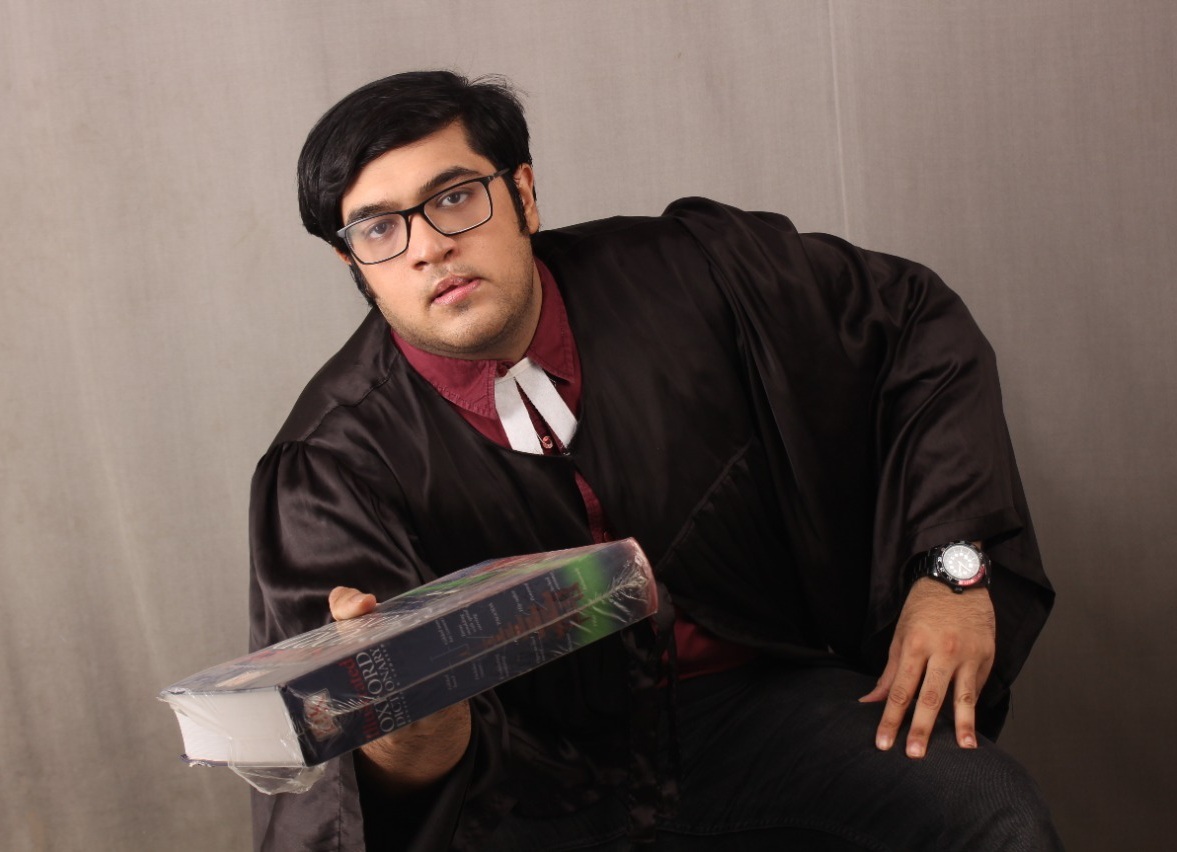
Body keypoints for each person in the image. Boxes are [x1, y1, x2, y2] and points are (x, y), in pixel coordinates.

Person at [248, 70, 1062, 851]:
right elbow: (368, 792)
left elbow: (913, 323)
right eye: (379, 229)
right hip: (521, 791)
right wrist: (416, 734)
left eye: (455, 197)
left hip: (756, 715)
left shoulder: (696, 273)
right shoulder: (328, 471)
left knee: (983, 811)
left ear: (523, 193)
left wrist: (951, 569)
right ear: (352, 263)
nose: (428, 246)